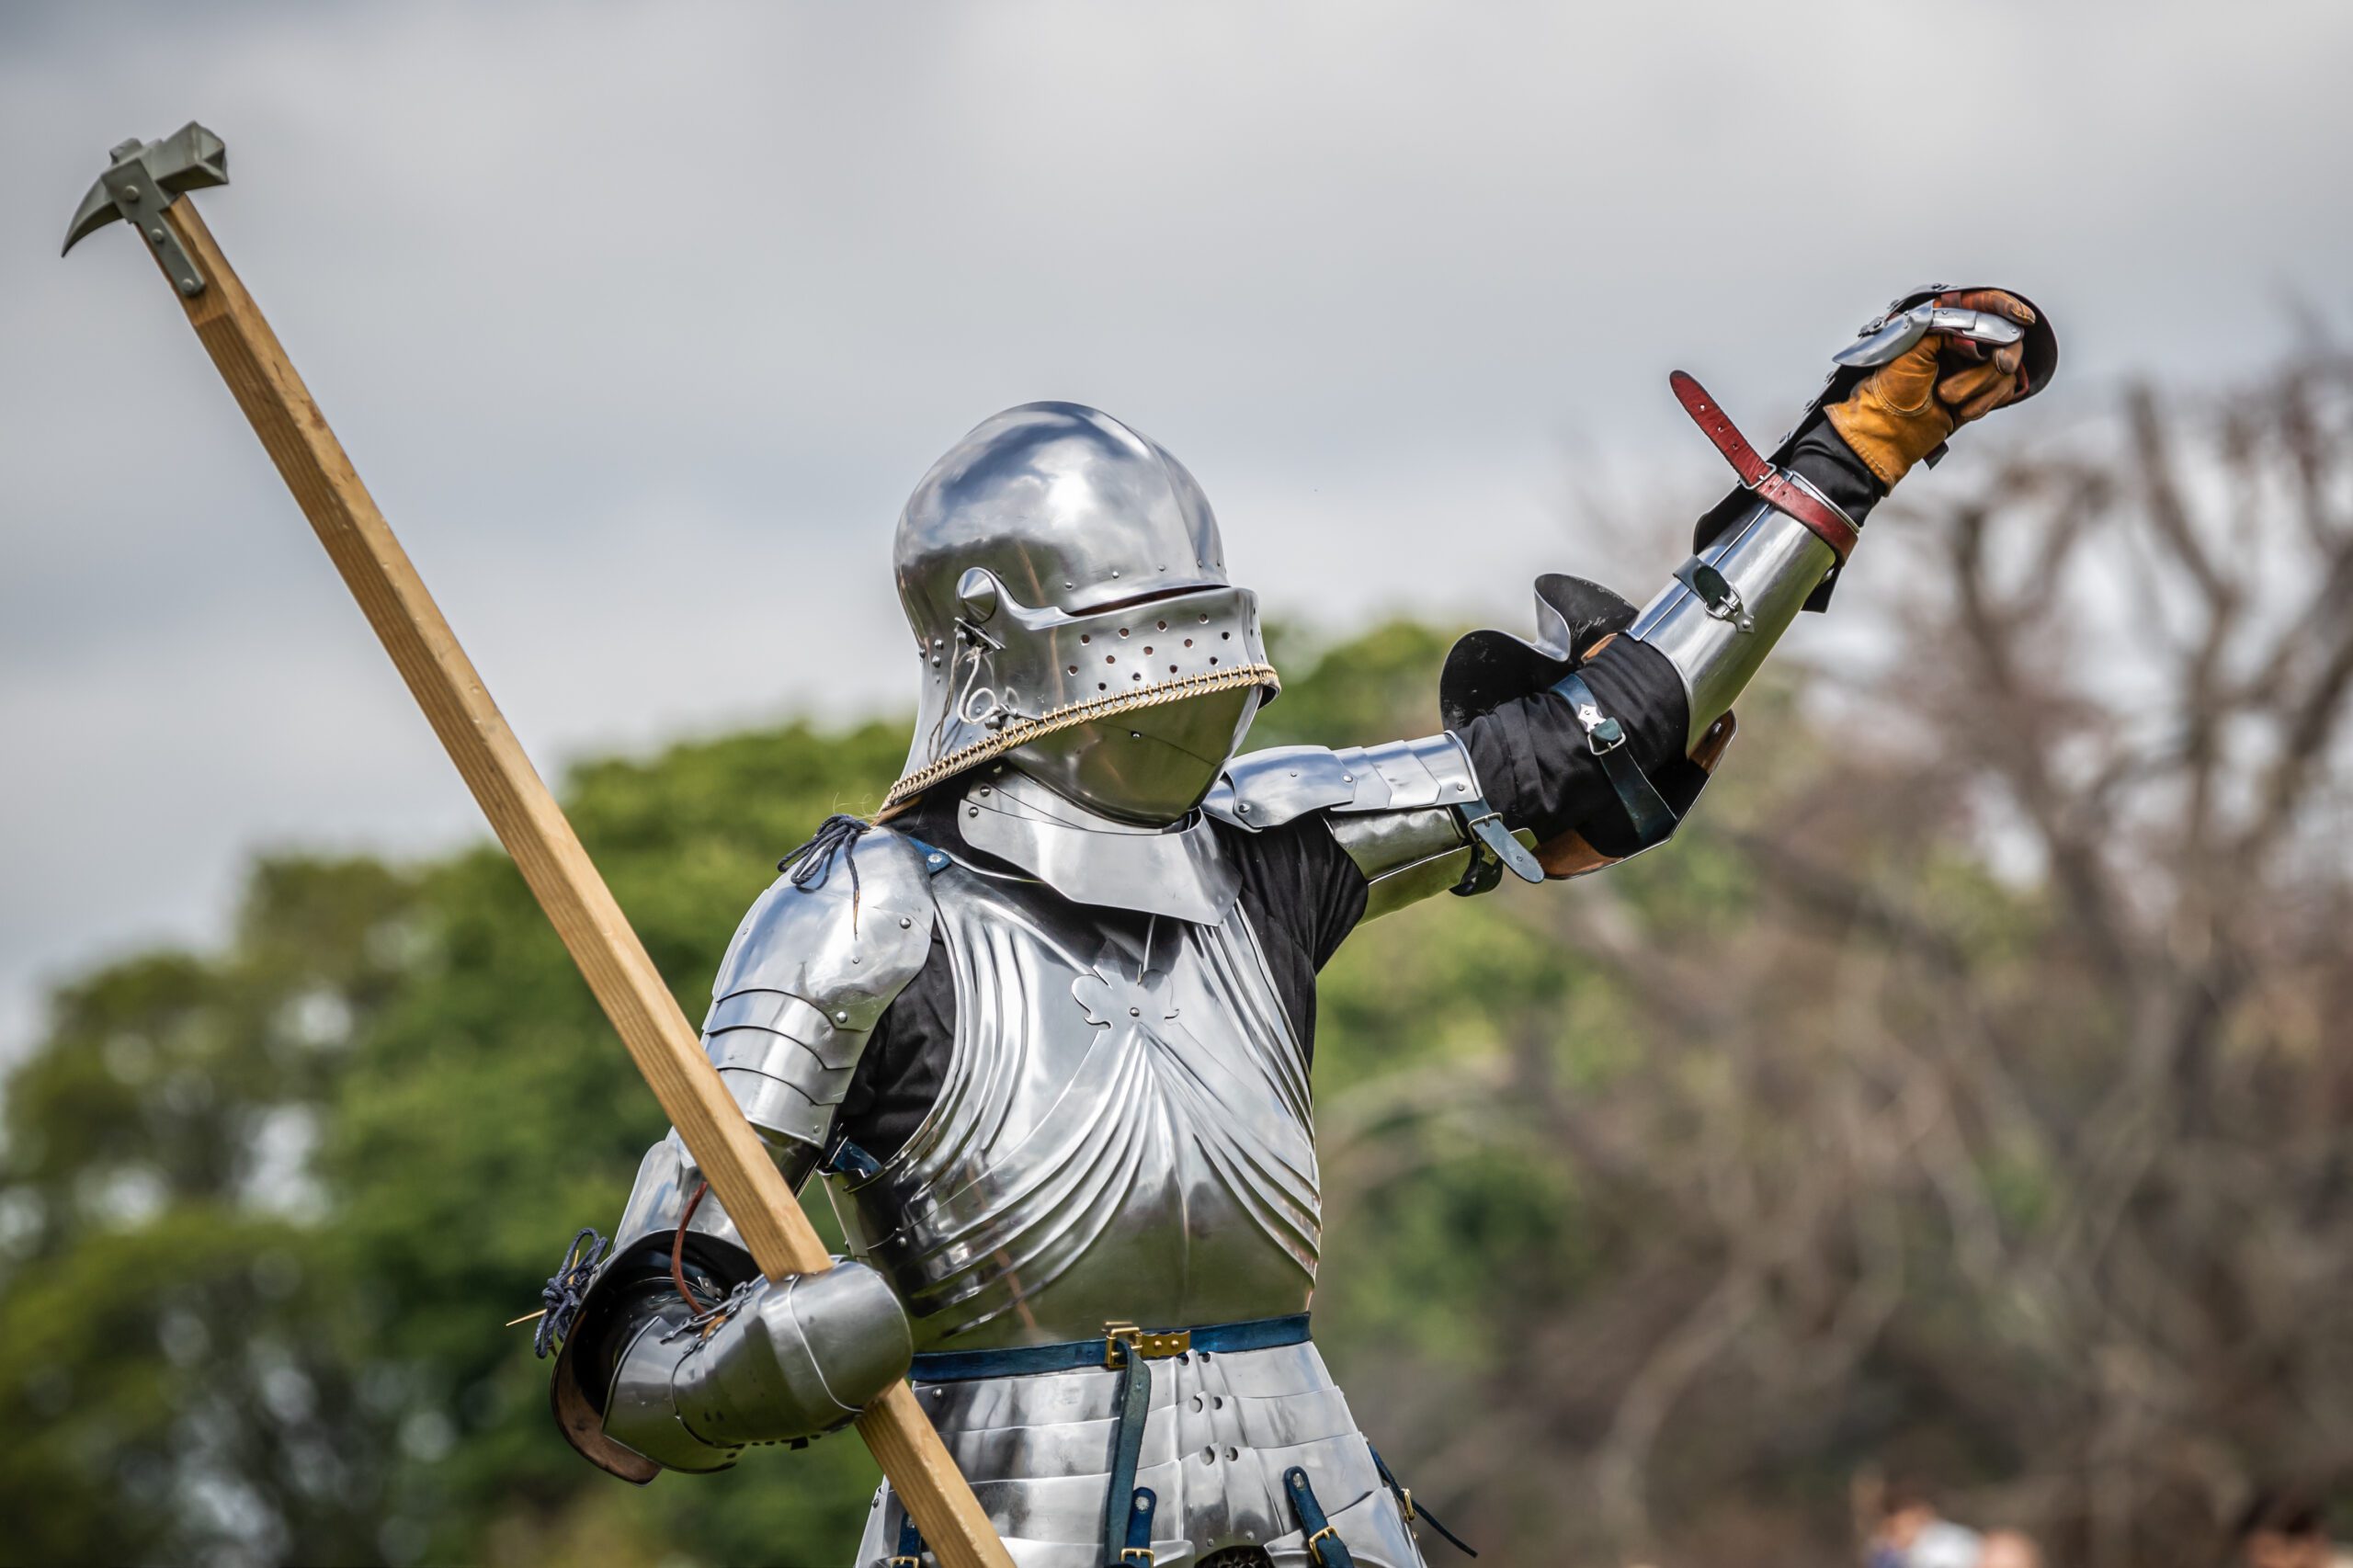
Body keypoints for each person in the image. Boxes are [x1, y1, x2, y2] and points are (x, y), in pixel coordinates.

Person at [536, 287, 2056, 1567]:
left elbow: (1601, 735)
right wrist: (755, 1365)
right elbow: (643, 1322)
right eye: (1135, 616)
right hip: (1009, 1511)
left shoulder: (1265, 844)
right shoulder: (864, 913)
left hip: (1315, 1510)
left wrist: (1844, 456)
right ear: (996, 627)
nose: (1185, 658)